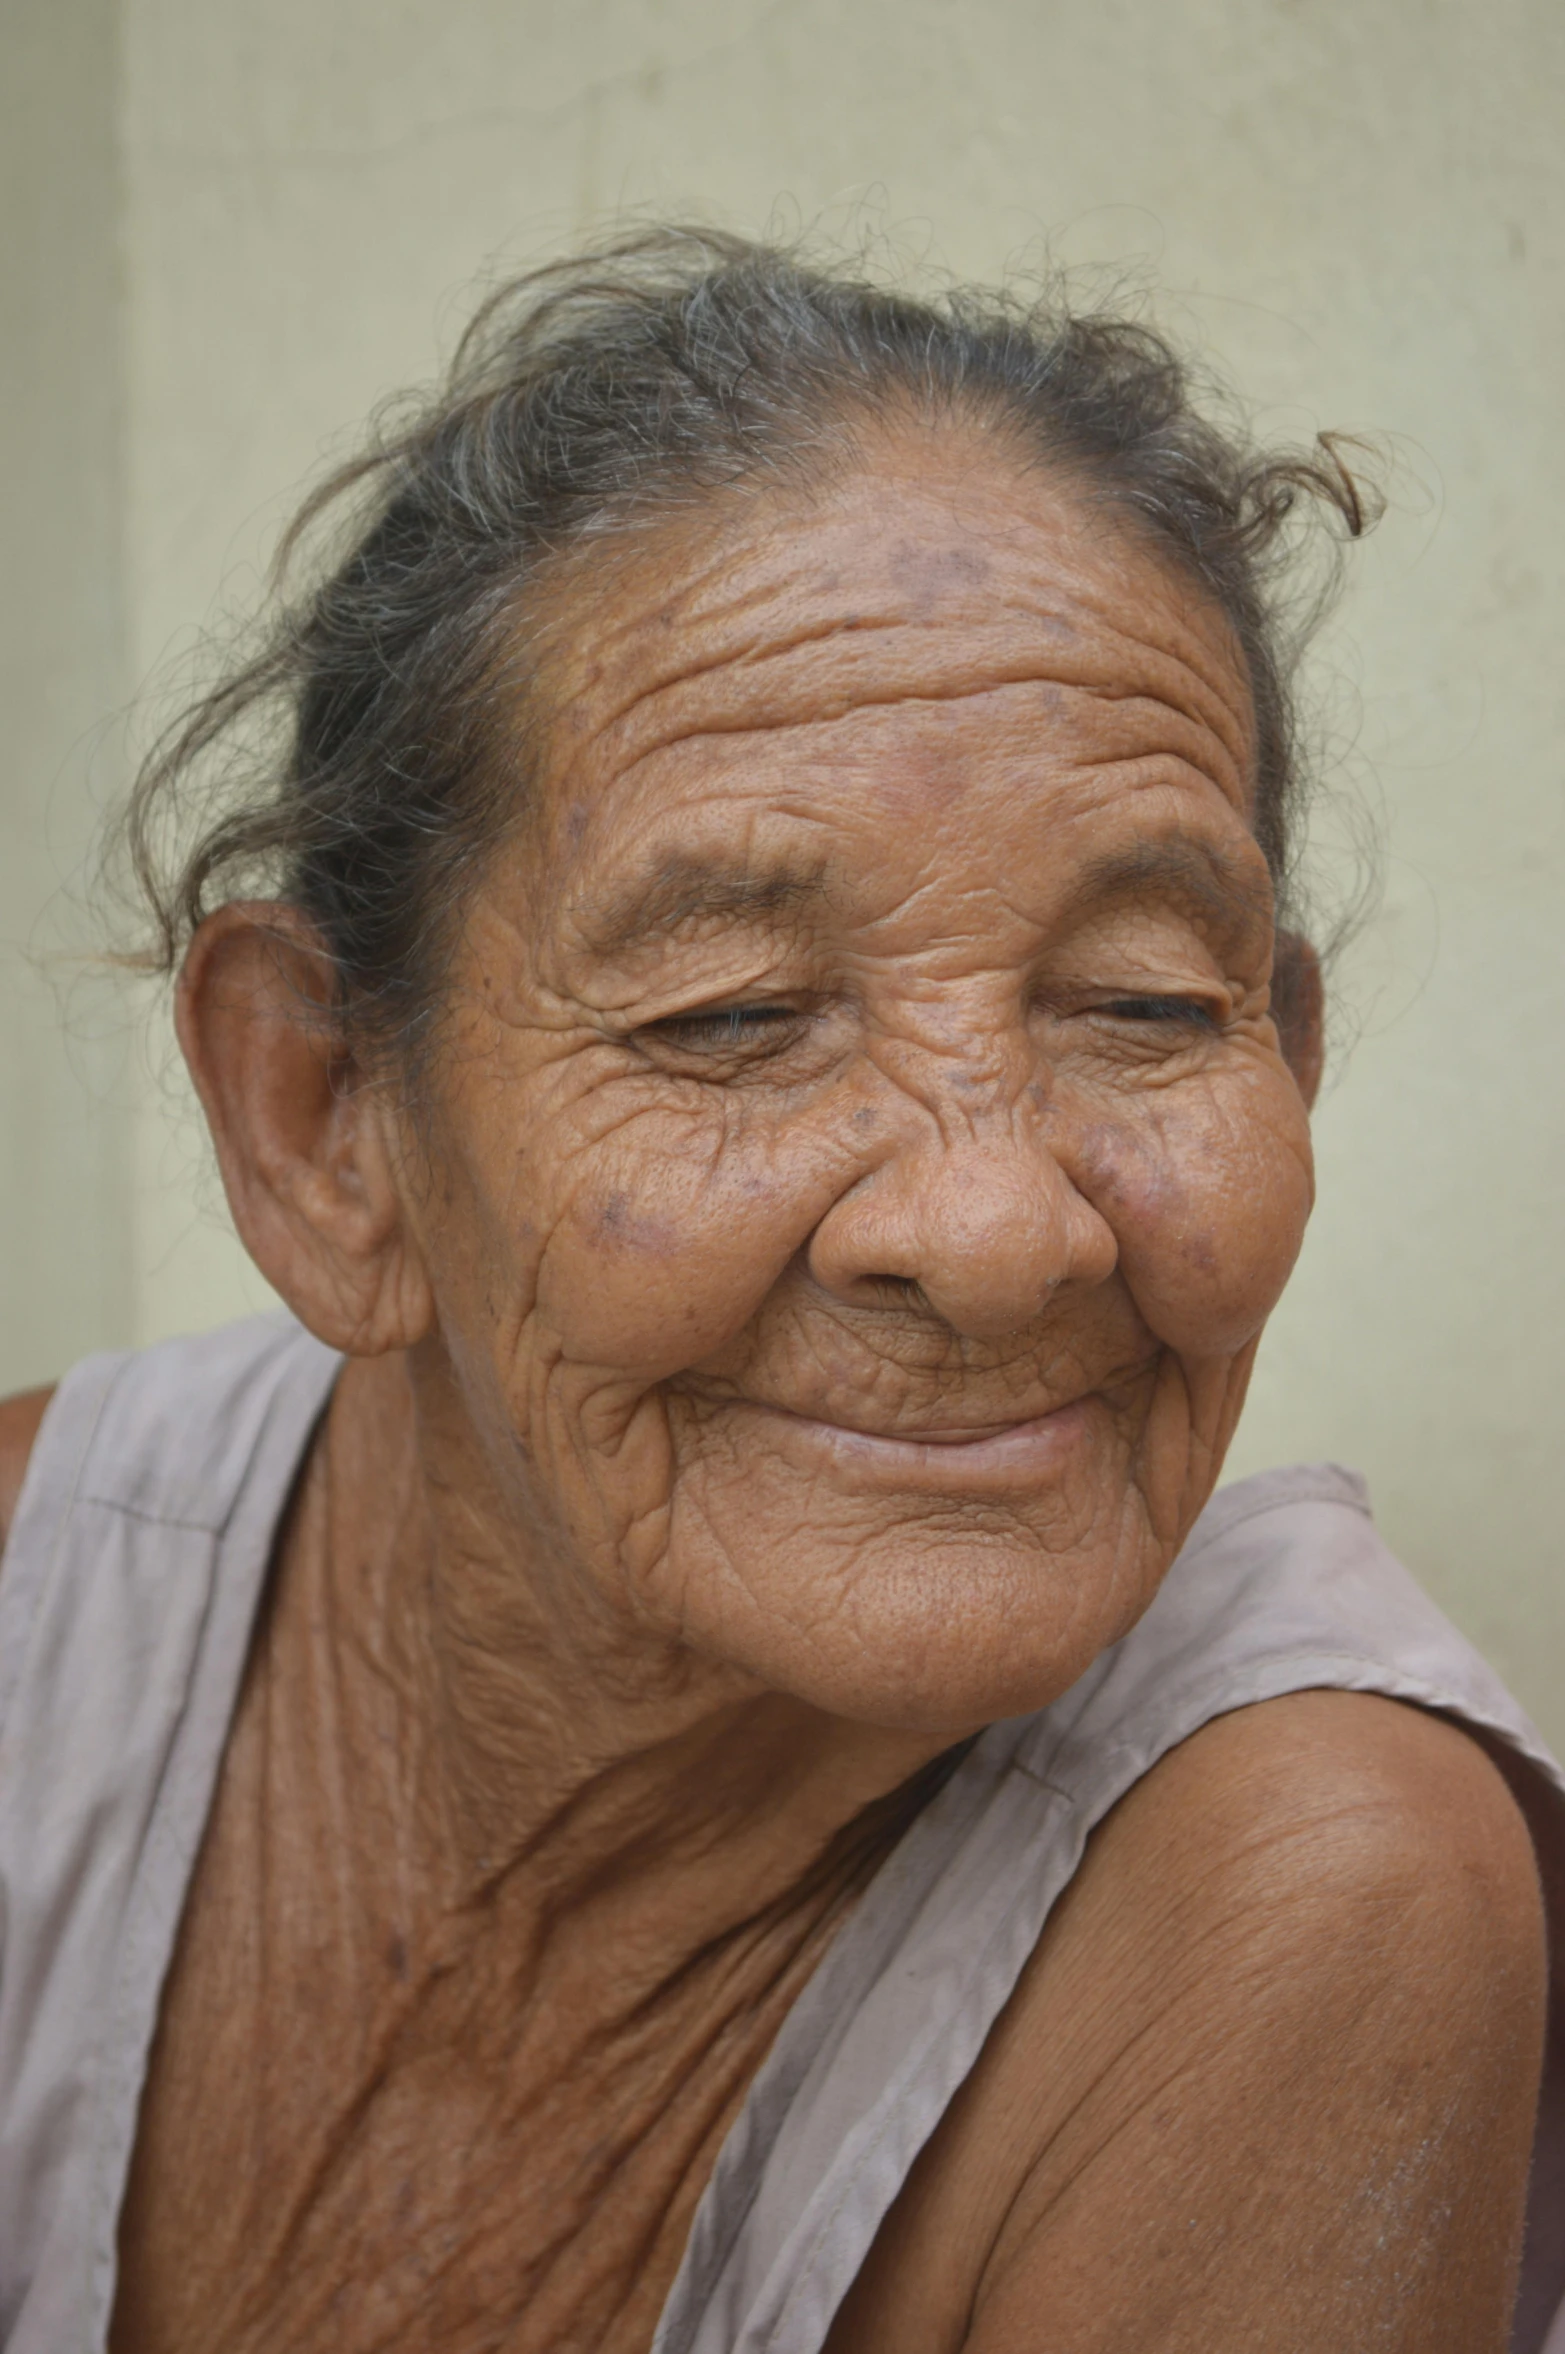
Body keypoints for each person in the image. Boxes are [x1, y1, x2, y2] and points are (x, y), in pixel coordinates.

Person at [0, 229, 1560, 2354]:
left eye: (1137, 1002)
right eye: (732, 1018)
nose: (1001, 1227)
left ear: (1278, 1052)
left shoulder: (1311, 1891)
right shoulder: (36, 1620)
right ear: (322, 1118)